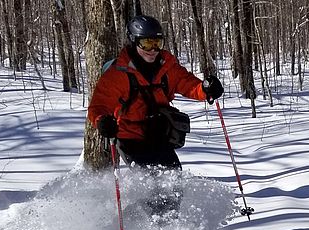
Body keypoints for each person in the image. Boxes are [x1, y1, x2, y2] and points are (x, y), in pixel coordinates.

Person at [87, 15, 224, 217]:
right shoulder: (118, 74)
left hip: (159, 135)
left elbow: (189, 85)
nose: (153, 50)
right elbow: (99, 106)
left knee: (173, 181)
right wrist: (102, 121)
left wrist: (206, 89)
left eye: (157, 43)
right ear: (134, 42)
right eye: (146, 43)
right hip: (130, 138)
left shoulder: (167, 66)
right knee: (153, 185)